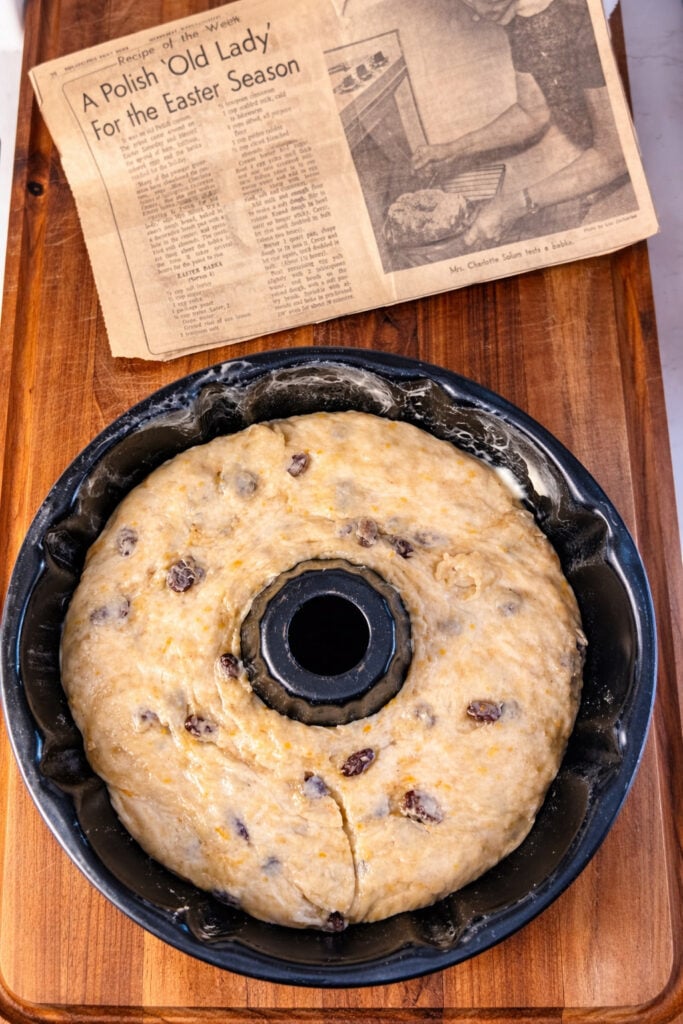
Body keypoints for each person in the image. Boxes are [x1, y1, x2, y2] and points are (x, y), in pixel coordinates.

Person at [412, 0, 629, 247]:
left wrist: (514, 205)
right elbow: (531, 112)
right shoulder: (522, 23)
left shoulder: (587, 17)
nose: (477, 14)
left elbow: (615, 153)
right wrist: (454, 149)